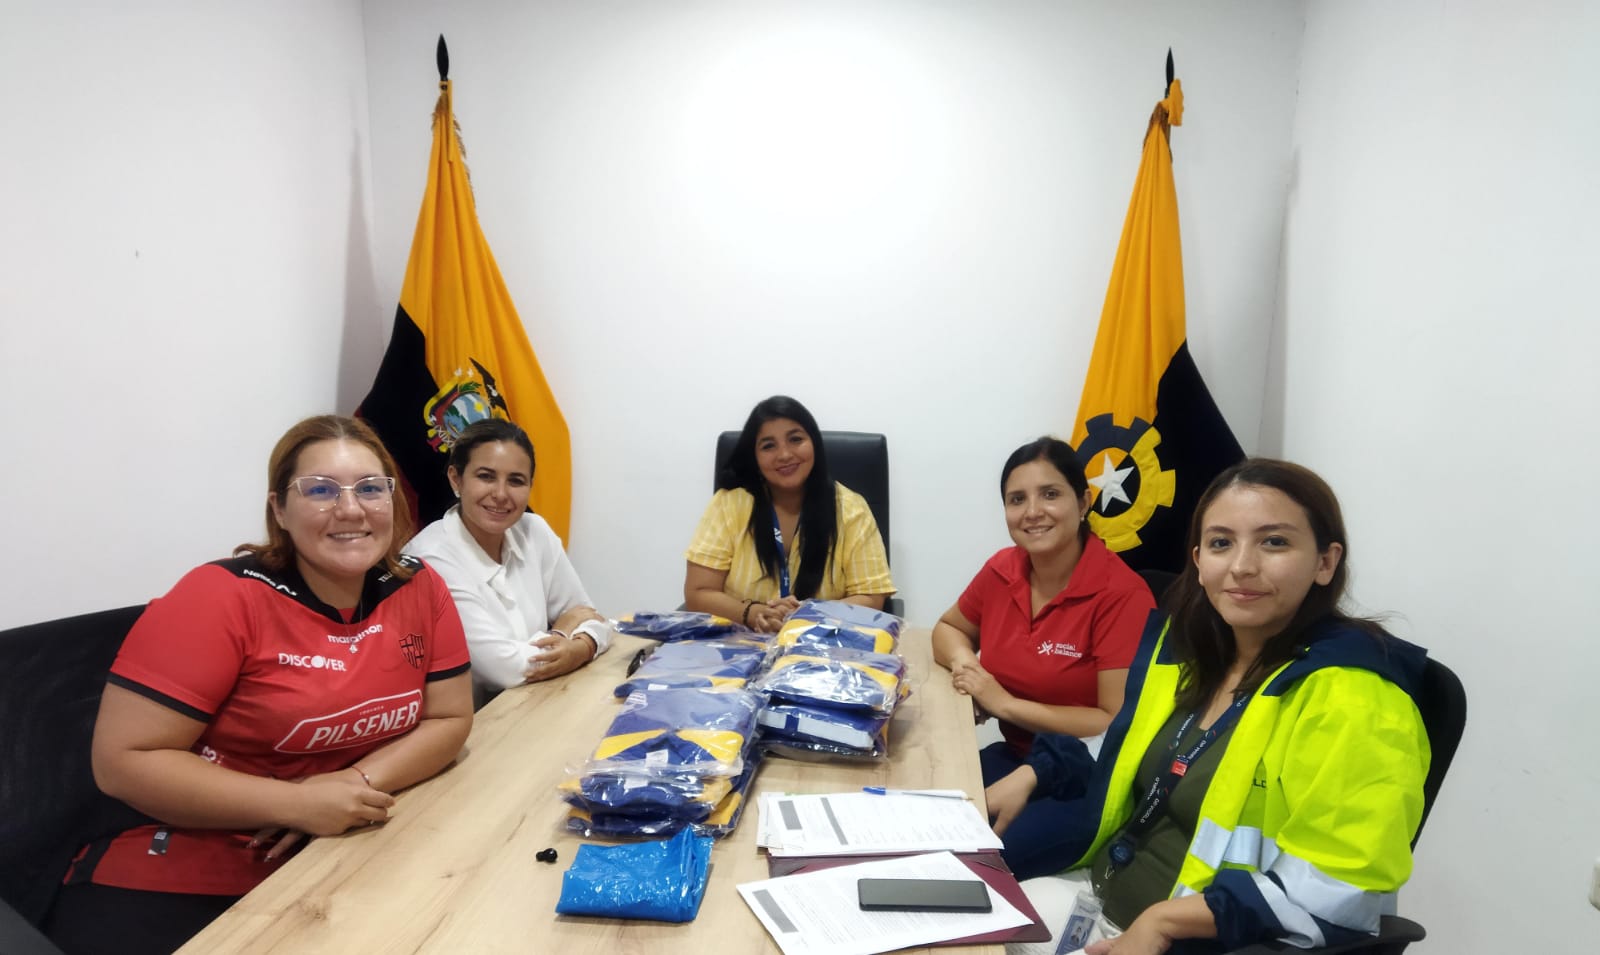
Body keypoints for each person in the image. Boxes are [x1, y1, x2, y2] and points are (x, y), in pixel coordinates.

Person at [47, 416, 473, 955]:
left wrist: (351, 786)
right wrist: (293, 803)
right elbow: (122, 762)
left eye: (370, 488)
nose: (350, 509)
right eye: (320, 490)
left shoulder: (419, 585)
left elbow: (449, 717)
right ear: (280, 510)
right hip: (191, 863)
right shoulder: (219, 596)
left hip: (341, 849)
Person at [988, 459, 1430, 955]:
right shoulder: (1196, 652)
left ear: (1325, 562)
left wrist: (1164, 922)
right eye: (1221, 543)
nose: (1242, 565)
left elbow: (1342, 886)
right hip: (1101, 896)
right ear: (1198, 561)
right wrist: (1034, 772)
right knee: (955, 914)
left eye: (1274, 542)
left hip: (1199, 940)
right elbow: (1127, 742)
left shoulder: (1354, 700)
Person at [932, 437, 1152, 792]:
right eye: (1017, 499)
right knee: (922, 789)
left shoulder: (1123, 595)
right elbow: (948, 628)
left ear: (1083, 502)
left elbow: (1113, 721)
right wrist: (968, 669)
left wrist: (1003, 704)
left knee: (971, 823)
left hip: (1084, 775)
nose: (1032, 511)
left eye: (1050, 494)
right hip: (1016, 755)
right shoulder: (1002, 569)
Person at [406, 419, 612, 697]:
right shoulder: (430, 558)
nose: (501, 494)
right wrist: (563, 634)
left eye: (516, 481)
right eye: (486, 476)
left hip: (533, 701)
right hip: (474, 718)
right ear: (456, 479)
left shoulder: (534, 530)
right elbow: (505, 670)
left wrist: (583, 645)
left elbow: (592, 617)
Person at [683, 395, 894, 632]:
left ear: (814, 443)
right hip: (738, 643)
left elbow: (871, 597)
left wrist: (808, 616)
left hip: (824, 644)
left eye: (795, 439)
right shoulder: (729, 505)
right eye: (768, 446)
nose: (784, 454)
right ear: (754, 456)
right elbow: (699, 592)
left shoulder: (852, 510)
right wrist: (753, 613)